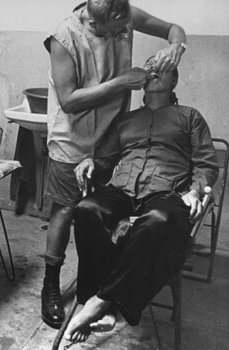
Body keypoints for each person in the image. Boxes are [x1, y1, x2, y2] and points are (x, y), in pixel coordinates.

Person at [41, 0, 188, 329]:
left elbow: (172, 29)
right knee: (66, 209)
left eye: (123, 29)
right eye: (112, 32)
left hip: (114, 132)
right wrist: (123, 82)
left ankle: (103, 291)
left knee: (105, 211)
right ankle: (50, 285)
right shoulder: (64, 38)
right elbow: (68, 100)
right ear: (93, 21)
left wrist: (176, 45)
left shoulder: (125, 16)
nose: (121, 35)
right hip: (73, 136)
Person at [67, 59, 219, 342]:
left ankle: (99, 302)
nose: (156, 69)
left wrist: (196, 191)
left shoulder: (189, 117)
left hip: (167, 192)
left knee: (158, 221)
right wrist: (92, 162)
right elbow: (107, 159)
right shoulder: (126, 120)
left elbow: (207, 164)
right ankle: (105, 302)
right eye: (151, 65)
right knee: (87, 209)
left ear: (174, 81)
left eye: (165, 66)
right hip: (122, 189)